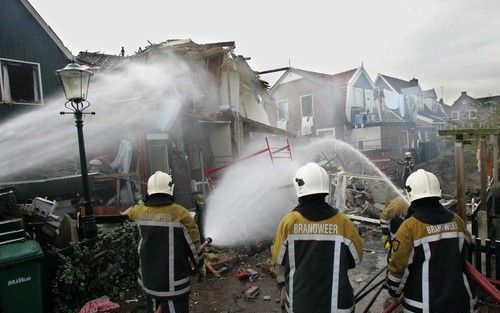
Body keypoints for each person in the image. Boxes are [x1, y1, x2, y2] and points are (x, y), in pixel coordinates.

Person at [271, 162, 363, 313]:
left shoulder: (289, 222)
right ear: (325, 188)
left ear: (299, 188)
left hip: (299, 306)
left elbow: (278, 258)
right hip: (338, 306)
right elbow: (357, 259)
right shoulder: (343, 222)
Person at [385, 169, 477, 313]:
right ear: (438, 192)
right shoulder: (456, 220)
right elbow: (467, 250)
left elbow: (399, 267)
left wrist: (393, 289)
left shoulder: (409, 227)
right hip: (462, 302)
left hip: (423, 305)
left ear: (410, 193)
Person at [128, 171, 203, 313]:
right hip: (175, 286)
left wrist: (143, 201)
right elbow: (194, 248)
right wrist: (200, 266)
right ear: (171, 189)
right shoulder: (181, 214)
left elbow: (132, 211)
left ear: (149, 191)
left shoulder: (138, 212)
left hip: (149, 283)